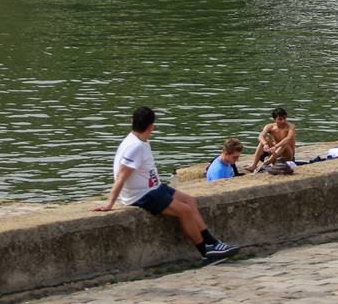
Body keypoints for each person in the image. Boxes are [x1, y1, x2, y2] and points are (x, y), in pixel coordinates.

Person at [93, 107, 238, 264]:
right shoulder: (135, 147)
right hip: (141, 194)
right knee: (185, 211)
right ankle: (206, 252)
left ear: (132, 122)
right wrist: (110, 203)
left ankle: (214, 243)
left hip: (153, 187)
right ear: (151, 126)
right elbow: (121, 176)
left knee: (190, 200)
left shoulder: (138, 141)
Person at [245, 107, 296, 172]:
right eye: (280, 119)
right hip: (275, 156)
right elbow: (260, 136)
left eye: (284, 118)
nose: (283, 121)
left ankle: (265, 163)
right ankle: (254, 165)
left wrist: (275, 146)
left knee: (285, 144)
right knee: (264, 141)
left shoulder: (291, 126)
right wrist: (265, 144)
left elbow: (288, 138)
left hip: (288, 157)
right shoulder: (270, 126)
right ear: (274, 119)